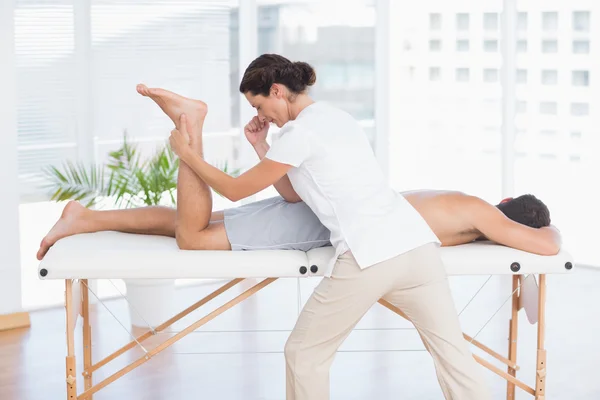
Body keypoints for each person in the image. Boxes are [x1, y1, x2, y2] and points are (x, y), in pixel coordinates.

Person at [40, 54, 495, 399]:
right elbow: (297, 193)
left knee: (303, 353)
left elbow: (237, 191)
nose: (265, 116)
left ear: (278, 91)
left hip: (371, 255)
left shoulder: (300, 133)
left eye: (262, 105)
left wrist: (188, 155)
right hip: (417, 249)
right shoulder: (335, 118)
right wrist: (261, 147)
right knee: (453, 356)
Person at [37, 190, 561, 259]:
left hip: (328, 211)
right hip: (321, 226)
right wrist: (553, 233)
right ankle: (188, 136)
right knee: (194, 238)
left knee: (200, 220)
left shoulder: (470, 209)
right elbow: (542, 247)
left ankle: (86, 218)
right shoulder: (478, 214)